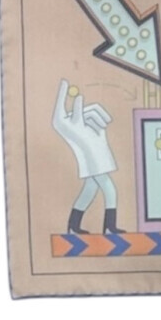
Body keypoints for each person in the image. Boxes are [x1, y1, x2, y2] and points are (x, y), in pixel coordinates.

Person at [52, 80, 119, 237]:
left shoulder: (86, 126)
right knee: (109, 189)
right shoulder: (73, 125)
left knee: (90, 188)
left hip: (92, 158)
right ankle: (109, 227)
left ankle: (73, 226)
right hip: (94, 160)